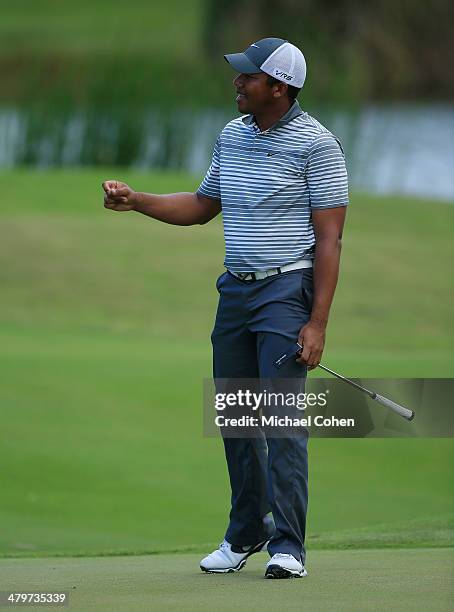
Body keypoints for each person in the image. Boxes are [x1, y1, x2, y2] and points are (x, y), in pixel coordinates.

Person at [102, 37, 348, 579]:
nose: (237, 83)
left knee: (281, 423)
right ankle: (246, 532)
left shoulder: (317, 146)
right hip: (235, 292)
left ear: (278, 87)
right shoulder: (232, 136)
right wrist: (136, 201)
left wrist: (317, 321)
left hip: (286, 293)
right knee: (236, 418)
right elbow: (202, 206)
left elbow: (329, 240)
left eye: (247, 77)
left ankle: (288, 546)